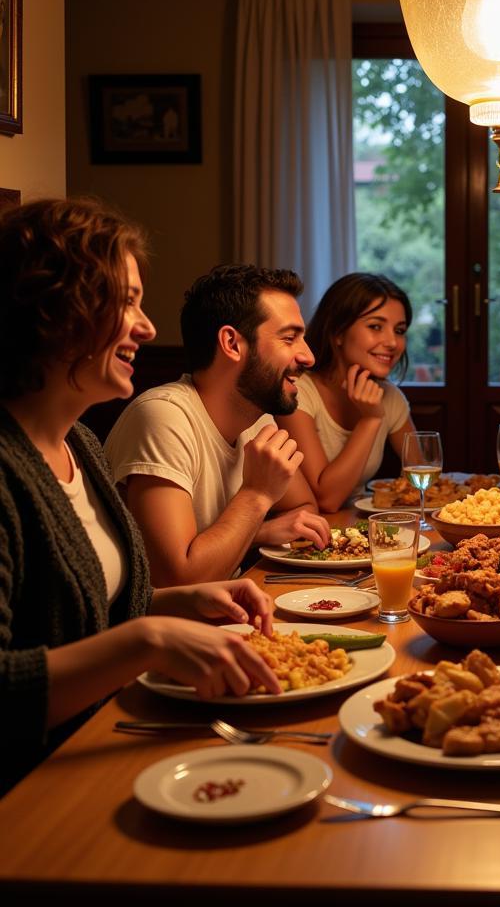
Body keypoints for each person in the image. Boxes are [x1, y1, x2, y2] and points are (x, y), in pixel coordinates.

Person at [0, 198, 282, 796]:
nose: (147, 327)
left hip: (107, 740)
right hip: (34, 792)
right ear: (54, 308)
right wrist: (147, 638)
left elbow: (90, 616)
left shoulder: (81, 444)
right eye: (125, 301)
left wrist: (181, 606)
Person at [104, 264, 330, 586]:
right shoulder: (163, 416)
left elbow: (305, 510)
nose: (308, 356)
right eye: (290, 338)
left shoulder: (258, 419)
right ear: (232, 343)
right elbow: (178, 581)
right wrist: (257, 494)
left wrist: (257, 532)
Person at [282, 273, 416, 512]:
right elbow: (326, 500)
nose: (393, 342)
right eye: (376, 326)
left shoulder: (390, 397)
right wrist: (371, 419)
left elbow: (423, 479)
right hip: (311, 536)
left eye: (399, 330)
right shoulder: (296, 392)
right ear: (338, 333)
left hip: (359, 529)